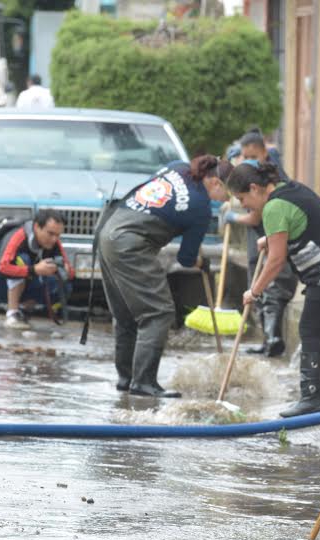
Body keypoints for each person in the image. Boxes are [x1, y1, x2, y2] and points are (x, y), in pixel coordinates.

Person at [226, 161, 320, 417]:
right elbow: (297, 225)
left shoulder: (274, 207)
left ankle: (311, 396)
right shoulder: (289, 190)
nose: (244, 205)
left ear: (255, 188)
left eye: (242, 198)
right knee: (316, 325)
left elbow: (276, 261)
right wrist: (268, 239)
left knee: (309, 327)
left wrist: (254, 291)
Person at [98, 155, 232, 397]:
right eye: (228, 194)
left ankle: (126, 378)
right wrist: (202, 262)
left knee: (126, 314)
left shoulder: (178, 168)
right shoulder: (201, 207)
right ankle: (144, 382)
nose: (226, 201)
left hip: (108, 231)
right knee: (158, 312)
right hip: (130, 244)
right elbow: (186, 259)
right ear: (215, 183)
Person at [225, 128, 298, 357]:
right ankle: (268, 340)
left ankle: (273, 339)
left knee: (270, 286)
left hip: (271, 234)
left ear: (263, 152)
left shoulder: (269, 178)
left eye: (251, 156)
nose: (248, 160)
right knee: (258, 282)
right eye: (244, 157)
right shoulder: (256, 173)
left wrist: (234, 217)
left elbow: (256, 214)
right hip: (260, 237)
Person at [0, 212, 74, 330]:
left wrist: (62, 270)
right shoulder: (18, 236)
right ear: (37, 227)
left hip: (24, 284)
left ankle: (24, 311)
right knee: (22, 260)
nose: (54, 239)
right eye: (50, 234)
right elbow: (2, 268)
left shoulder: (54, 243)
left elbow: (70, 273)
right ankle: (12, 314)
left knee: (63, 284)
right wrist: (34, 270)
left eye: (58, 235)